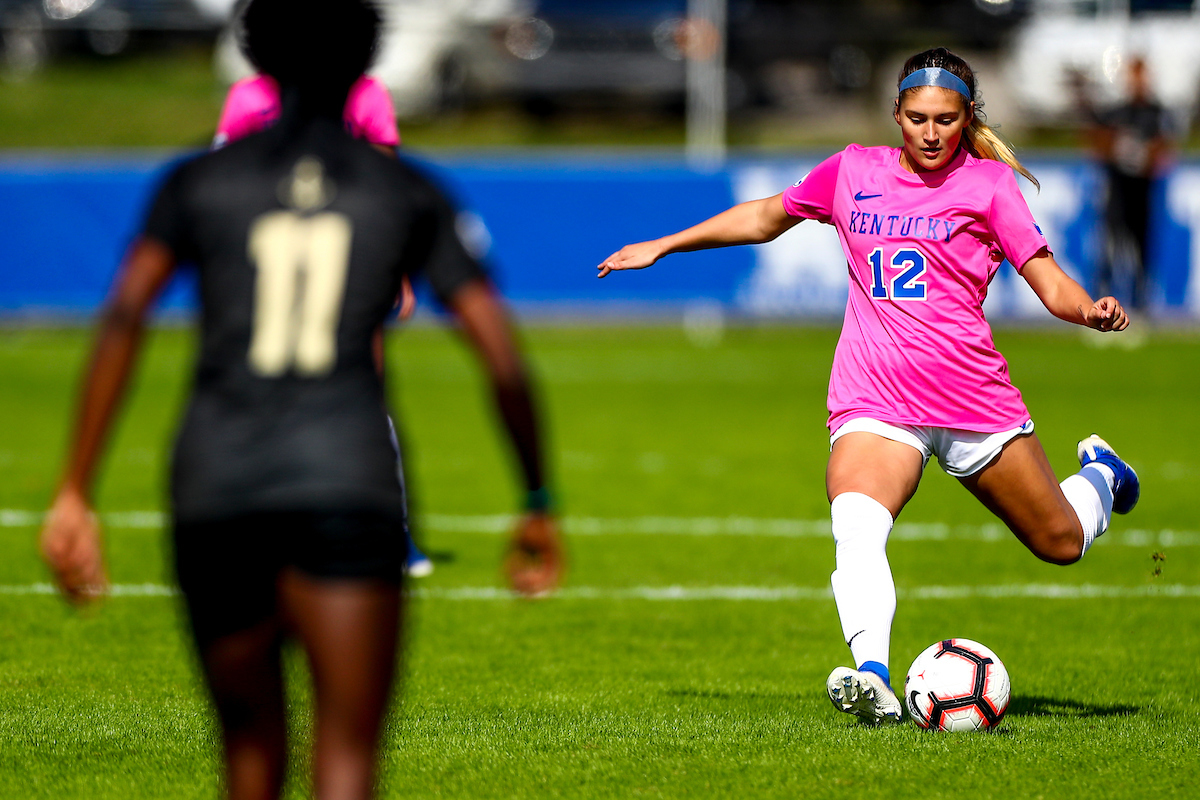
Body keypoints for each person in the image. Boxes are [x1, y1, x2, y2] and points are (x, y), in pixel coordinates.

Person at [39, 1, 562, 798]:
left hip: (216, 482)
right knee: (346, 762)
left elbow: (123, 319)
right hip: (346, 477)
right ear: (368, 60)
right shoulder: (407, 190)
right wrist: (535, 495)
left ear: (253, 54)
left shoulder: (196, 181)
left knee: (248, 760)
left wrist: (76, 488)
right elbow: (500, 355)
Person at [597, 47, 1140, 725]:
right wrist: (665, 244)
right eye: (917, 118)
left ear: (967, 118)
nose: (931, 133)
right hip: (876, 399)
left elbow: (1047, 278)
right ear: (897, 115)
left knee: (1060, 543)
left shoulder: (991, 187)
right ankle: (873, 676)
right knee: (857, 523)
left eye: (945, 119)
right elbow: (767, 216)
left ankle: (1104, 478)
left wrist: (1087, 308)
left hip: (973, 401)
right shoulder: (853, 171)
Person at [214, 27, 440, 578]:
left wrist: (398, 270)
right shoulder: (249, 98)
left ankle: (394, 531)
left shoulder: (365, 95)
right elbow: (223, 182)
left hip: (352, 267)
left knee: (366, 399)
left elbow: (388, 187)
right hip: (269, 273)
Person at [1088, 57, 1171, 312]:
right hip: (1117, 194)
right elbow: (1096, 144)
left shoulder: (1156, 113)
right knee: (1110, 250)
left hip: (1142, 194)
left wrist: (1143, 157)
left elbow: (1165, 151)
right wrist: (1118, 150)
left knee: (1141, 251)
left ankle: (1140, 305)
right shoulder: (1116, 113)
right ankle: (1101, 304)